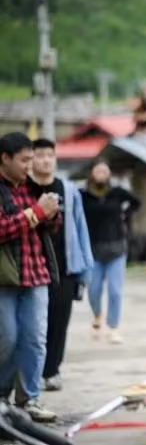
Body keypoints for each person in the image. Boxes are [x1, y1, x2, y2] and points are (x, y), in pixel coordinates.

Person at [0, 132, 61, 422]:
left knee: (34, 340)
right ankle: (2, 397)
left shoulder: (33, 187)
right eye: (24, 160)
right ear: (5, 159)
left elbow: (52, 229)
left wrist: (52, 214)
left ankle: (29, 400)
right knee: (7, 339)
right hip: (5, 279)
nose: (30, 165)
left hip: (37, 274)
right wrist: (36, 213)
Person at [30, 138, 94, 391]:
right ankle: (33, 371)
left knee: (59, 322)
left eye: (50, 155)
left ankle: (52, 371)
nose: (46, 160)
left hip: (65, 268)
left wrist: (84, 268)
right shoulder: (24, 189)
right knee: (34, 325)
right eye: (40, 155)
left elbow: (80, 227)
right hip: (32, 268)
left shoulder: (67, 190)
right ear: (31, 159)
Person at [81, 160, 141, 344]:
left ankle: (113, 328)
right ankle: (97, 315)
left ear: (109, 174)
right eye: (98, 171)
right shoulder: (83, 195)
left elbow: (136, 202)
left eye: (104, 171)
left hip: (116, 249)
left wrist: (125, 215)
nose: (101, 174)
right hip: (93, 251)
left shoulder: (117, 192)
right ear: (91, 173)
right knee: (93, 291)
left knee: (115, 291)